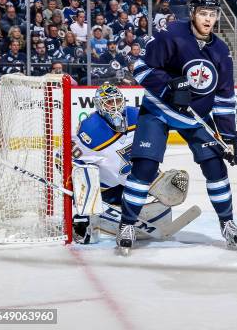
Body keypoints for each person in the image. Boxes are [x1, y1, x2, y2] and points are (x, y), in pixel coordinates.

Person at [124, 0, 237, 253]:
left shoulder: (221, 52)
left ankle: (228, 224)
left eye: (212, 15)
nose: (208, 19)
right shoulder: (170, 34)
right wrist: (168, 87)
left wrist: (229, 136)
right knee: (144, 168)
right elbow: (140, 68)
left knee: (216, 168)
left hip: (195, 117)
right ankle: (128, 223)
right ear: (193, 13)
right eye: (203, 13)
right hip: (157, 110)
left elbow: (224, 99)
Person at [71, 83, 188, 244]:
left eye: (117, 101)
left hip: (139, 177)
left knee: (175, 192)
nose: (115, 106)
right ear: (99, 105)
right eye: (109, 102)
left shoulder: (136, 115)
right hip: (109, 188)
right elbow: (74, 162)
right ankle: (91, 218)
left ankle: (143, 212)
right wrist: (78, 193)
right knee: (84, 174)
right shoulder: (90, 130)